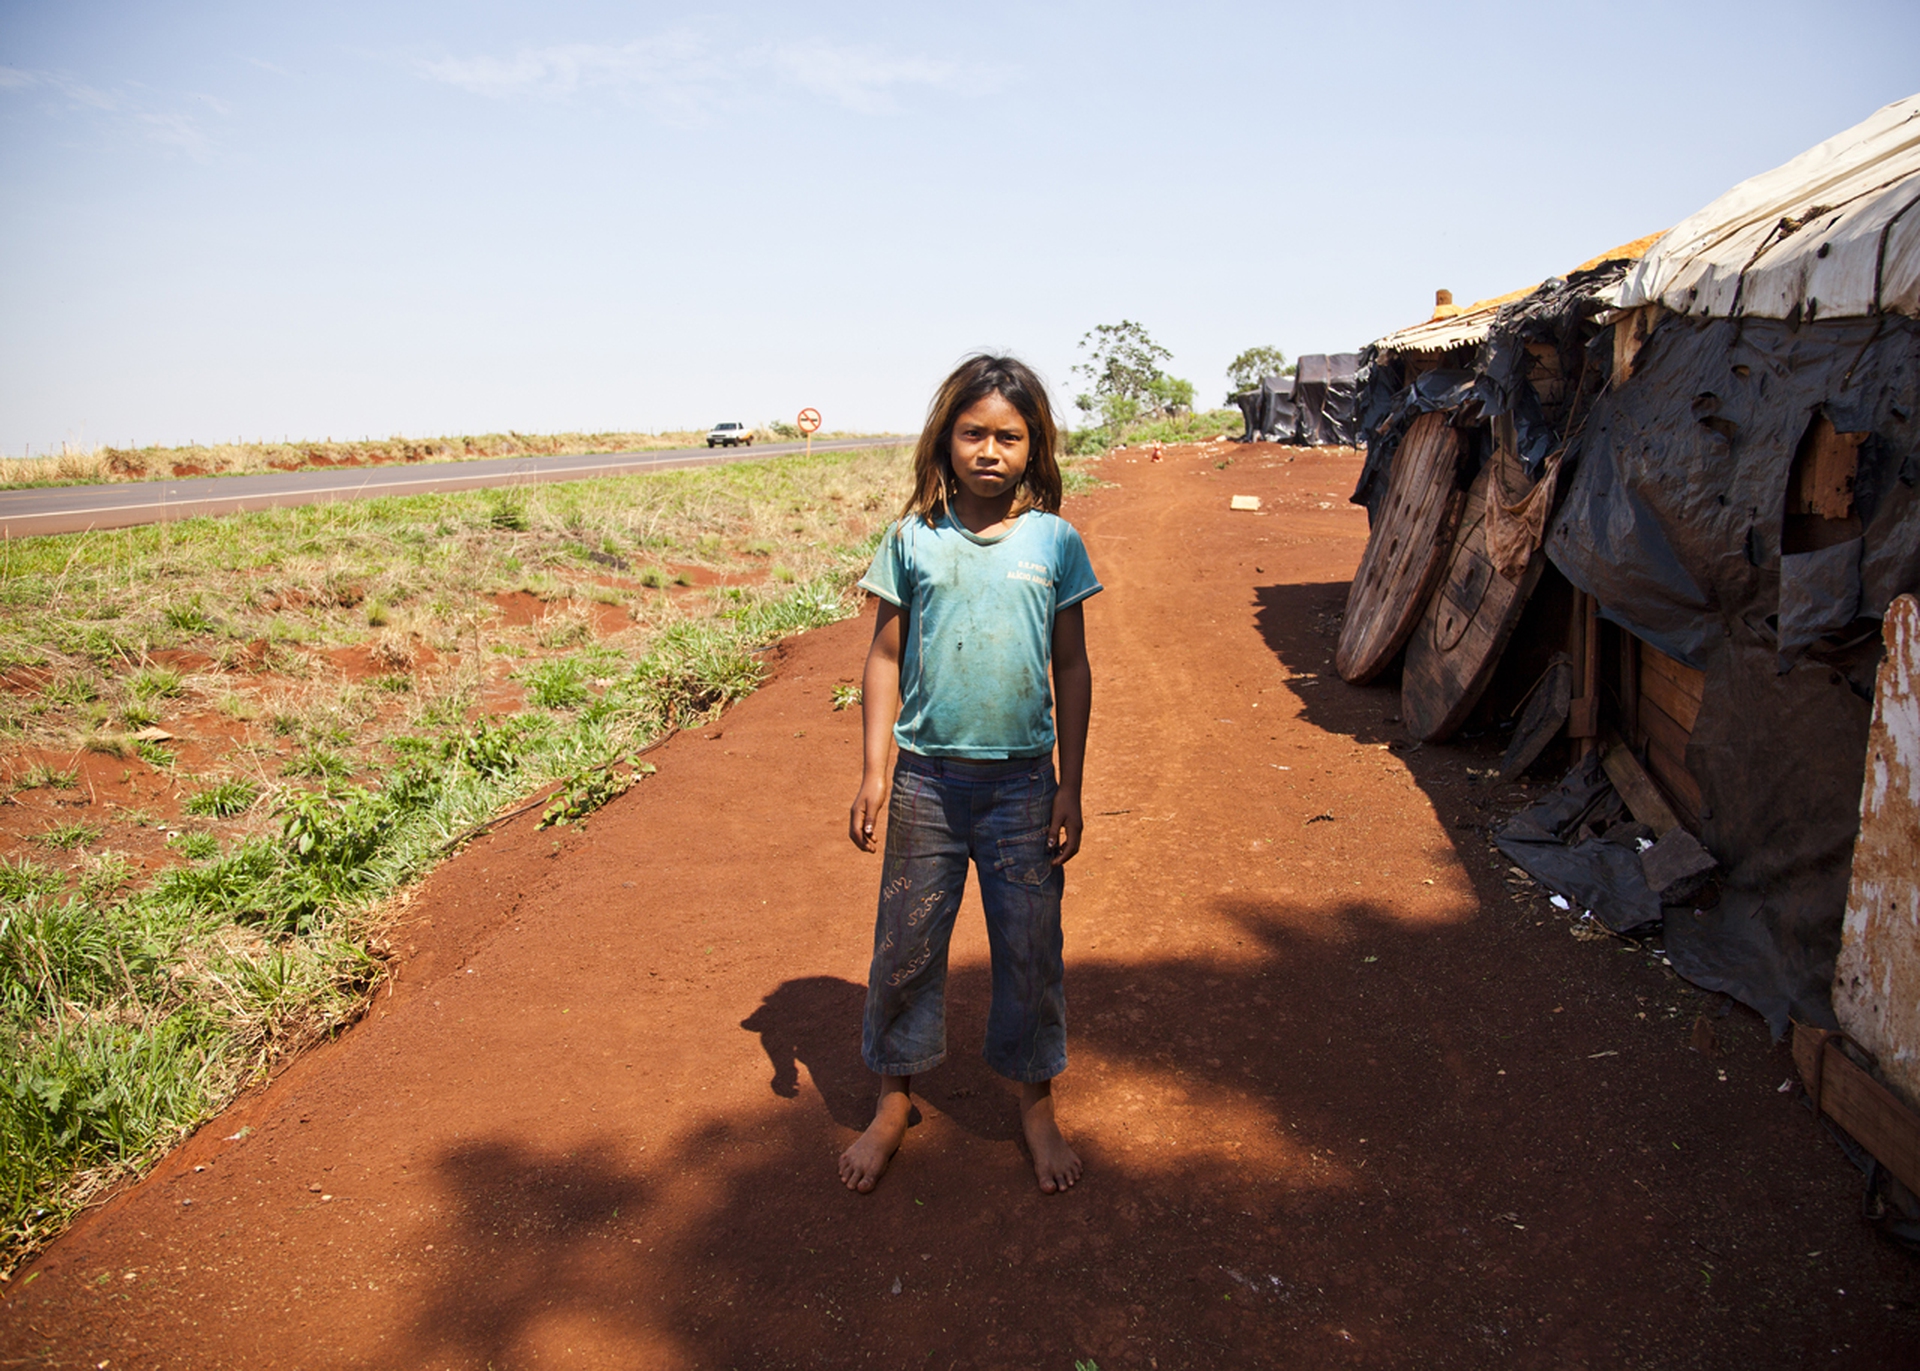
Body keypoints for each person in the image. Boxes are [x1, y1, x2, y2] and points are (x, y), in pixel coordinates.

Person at [840, 354, 1099, 1196]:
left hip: (1025, 786)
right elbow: (883, 657)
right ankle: (893, 1098)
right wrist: (876, 772)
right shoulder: (914, 540)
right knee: (907, 946)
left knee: (1030, 949)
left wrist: (1072, 783)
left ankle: (1033, 1104)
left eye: (1010, 436)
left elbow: (1073, 666)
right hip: (926, 786)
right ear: (946, 440)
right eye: (974, 432)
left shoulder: (1054, 541)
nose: (991, 449)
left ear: (1036, 446)